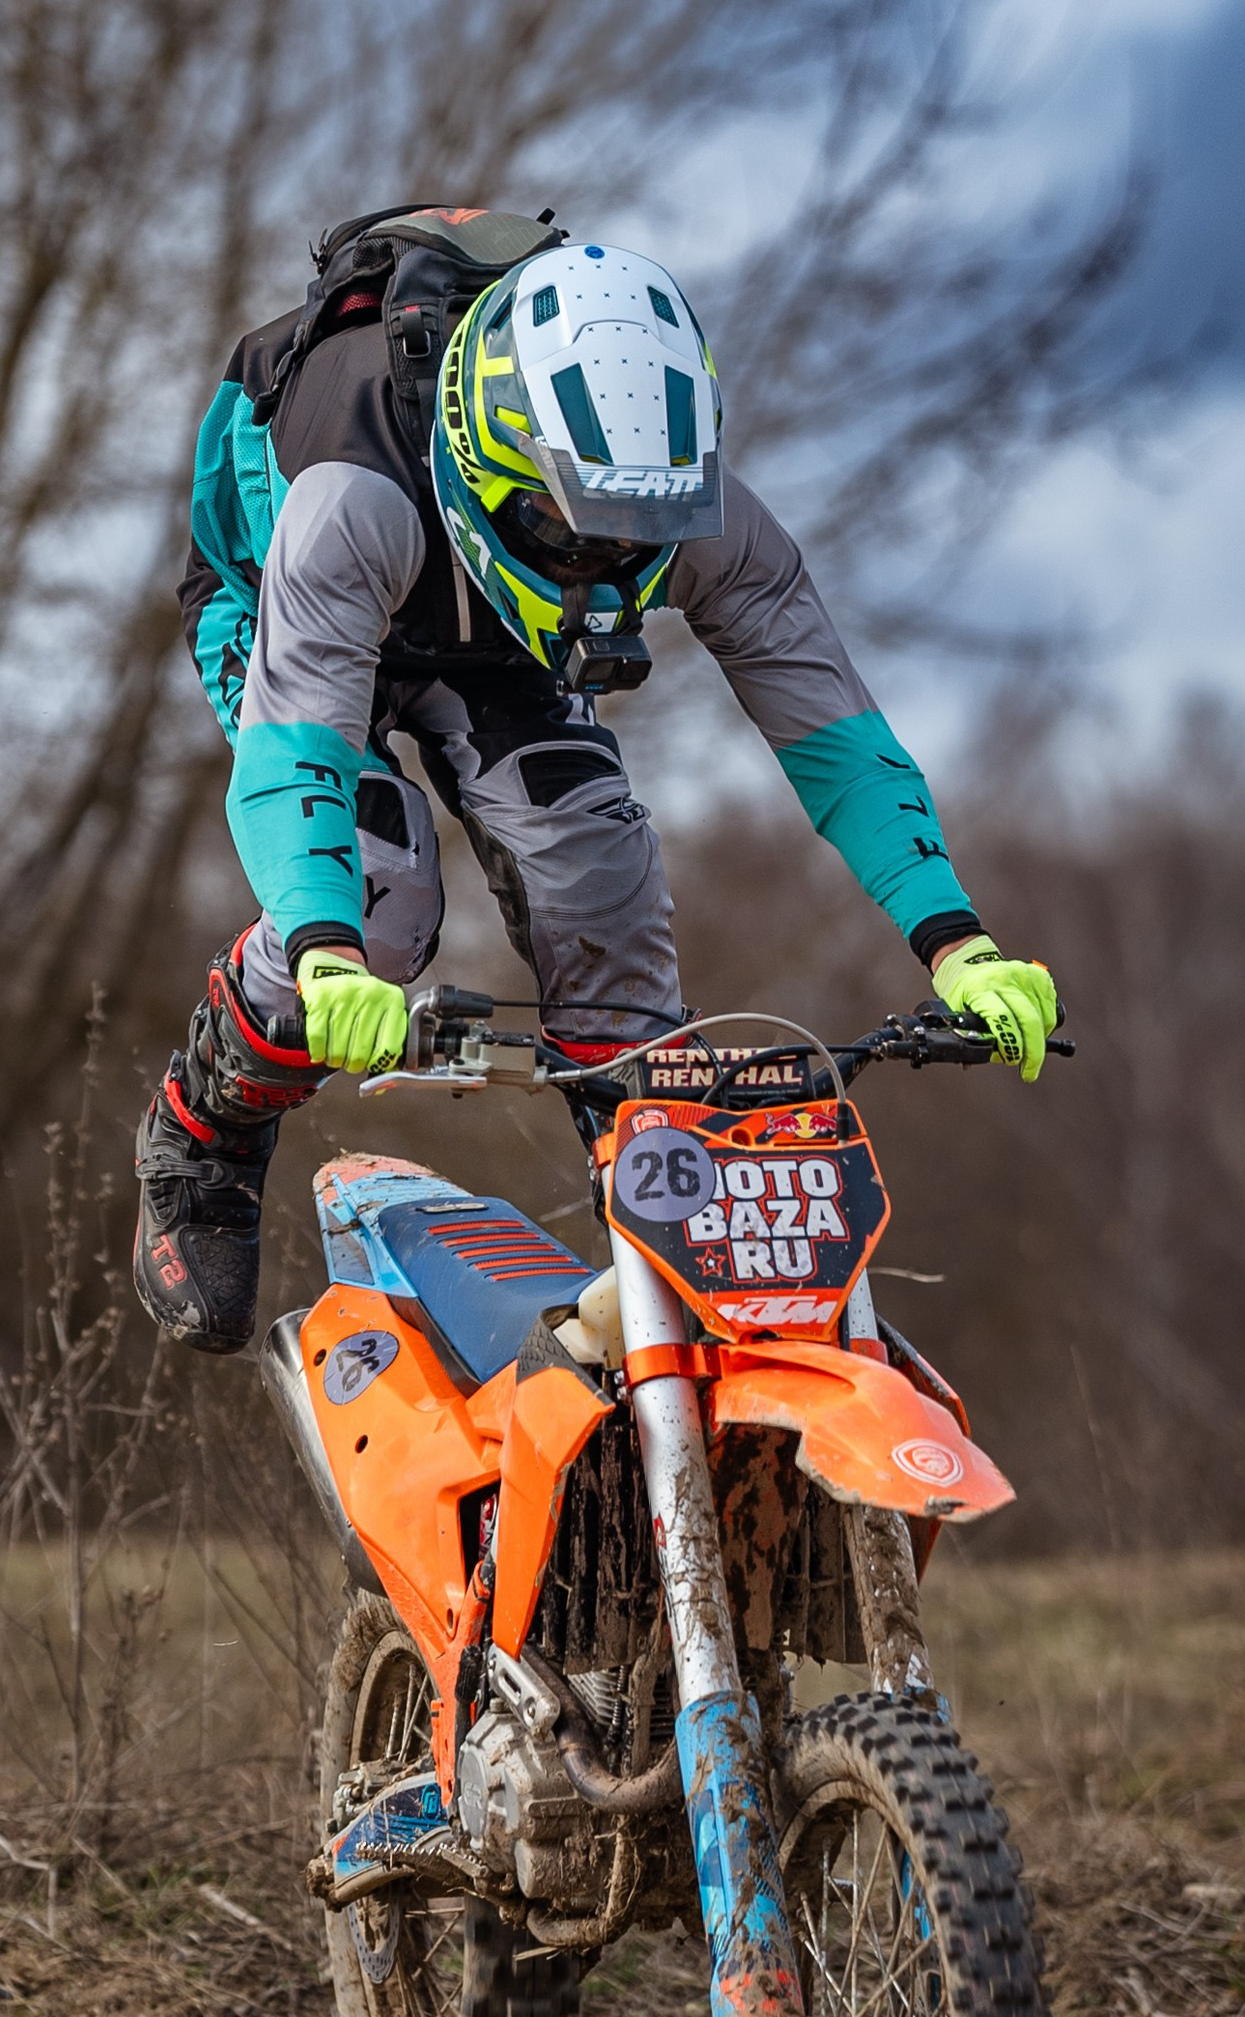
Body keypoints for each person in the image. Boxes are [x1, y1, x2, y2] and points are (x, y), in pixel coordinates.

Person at [134, 204, 1060, 1350]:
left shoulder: (699, 511)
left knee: (600, 882)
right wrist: (325, 954)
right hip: (280, 585)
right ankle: (203, 1127)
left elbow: (832, 730)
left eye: (633, 536)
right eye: (573, 534)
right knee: (378, 895)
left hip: (482, 623)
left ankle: (658, 1218)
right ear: (493, 464)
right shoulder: (351, 498)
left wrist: (954, 939)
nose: (602, 570)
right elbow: (294, 757)